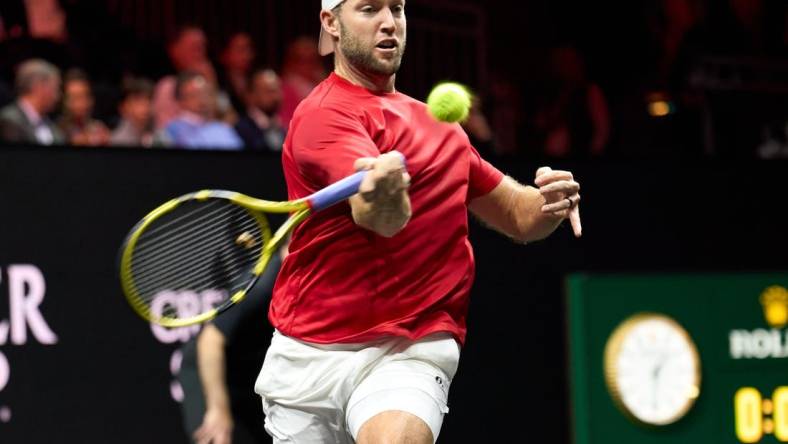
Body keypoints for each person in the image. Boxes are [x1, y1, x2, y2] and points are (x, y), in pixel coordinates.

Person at [254, 1, 582, 444]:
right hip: (308, 354)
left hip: (410, 345)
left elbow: (519, 218)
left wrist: (548, 203)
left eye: (397, 8)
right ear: (331, 23)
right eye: (369, 9)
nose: (389, 22)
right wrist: (382, 190)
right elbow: (379, 218)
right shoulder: (321, 116)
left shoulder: (441, 127)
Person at [179, 249, 285, 444]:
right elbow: (210, 341)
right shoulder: (262, 283)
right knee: (217, 435)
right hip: (209, 370)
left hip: (252, 377)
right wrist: (218, 409)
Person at [157, 71, 243, 150]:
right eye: (194, 95)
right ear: (180, 101)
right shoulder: (173, 130)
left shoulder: (222, 128)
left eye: (205, 93)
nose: (202, 100)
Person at [0, 58, 64, 145]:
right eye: (55, 89)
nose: (57, 96)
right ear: (39, 86)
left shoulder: (53, 127)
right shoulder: (9, 120)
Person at [279, 36, 328, 128]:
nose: (307, 65)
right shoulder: (283, 89)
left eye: (311, 60)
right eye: (301, 60)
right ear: (291, 61)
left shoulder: (325, 83)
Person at [235, 68, 286, 152]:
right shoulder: (241, 129)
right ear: (251, 95)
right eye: (269, 91)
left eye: (278, 90)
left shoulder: (283, 129)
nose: (276, 96)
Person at [57, 68, 110, 146]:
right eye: (74, 98)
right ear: (64, 101)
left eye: (84, 96)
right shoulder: (56, 131)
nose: (80, 104)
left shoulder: (100, 130)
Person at [218, 32, 256, 117]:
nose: (247, 55)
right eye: (241, 49)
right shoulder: (219, 84)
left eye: (249, 49)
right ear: (225, 54)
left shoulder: (255, 81)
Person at [111, 77, 155, 147]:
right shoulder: (119, 140)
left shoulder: (158, 132)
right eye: (138, 100)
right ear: (124, 107)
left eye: (149, 99)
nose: (145, 105)